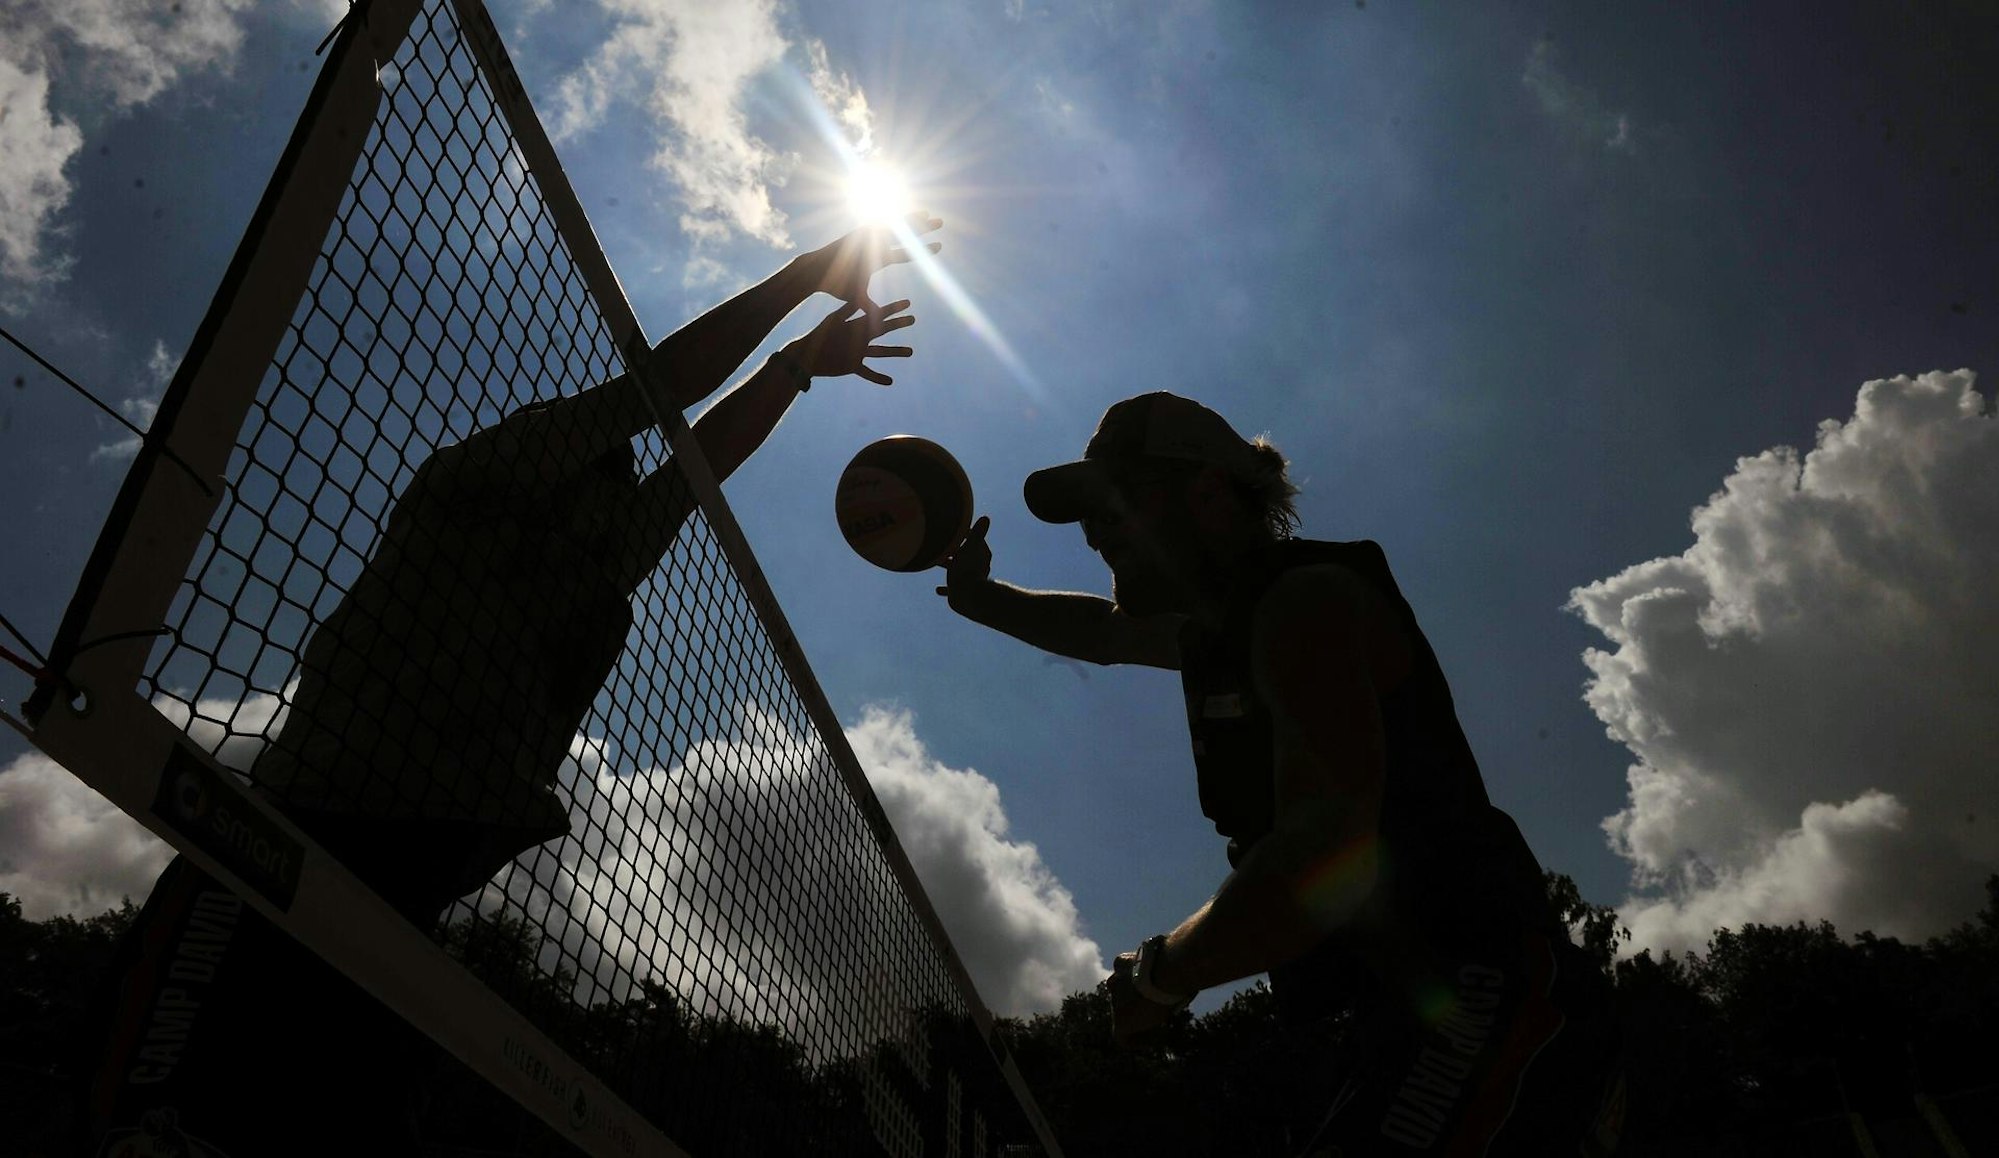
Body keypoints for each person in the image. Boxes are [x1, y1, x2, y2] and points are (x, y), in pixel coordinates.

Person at [76, 218, 940, 1154]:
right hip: (296, 827)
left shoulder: (593, 555)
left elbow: (699, 464)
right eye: (580, 444)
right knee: (141, 1123)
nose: (602, 463)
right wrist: (807, 277)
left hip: (406, 888)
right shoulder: (470, 486)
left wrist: (797, 368)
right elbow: (656, 399)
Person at [938, 391, 1625, 1156]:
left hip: (1484, 1002)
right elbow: (1103, 632)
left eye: (1115, 503)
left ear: (1206, 494)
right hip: (1413, 1018)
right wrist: (978, 598)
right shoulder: (1226, 628)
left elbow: (1321, 855)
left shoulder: (1306, 605)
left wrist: (1161, 977)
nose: (1095, 531)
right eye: (1088, 513)